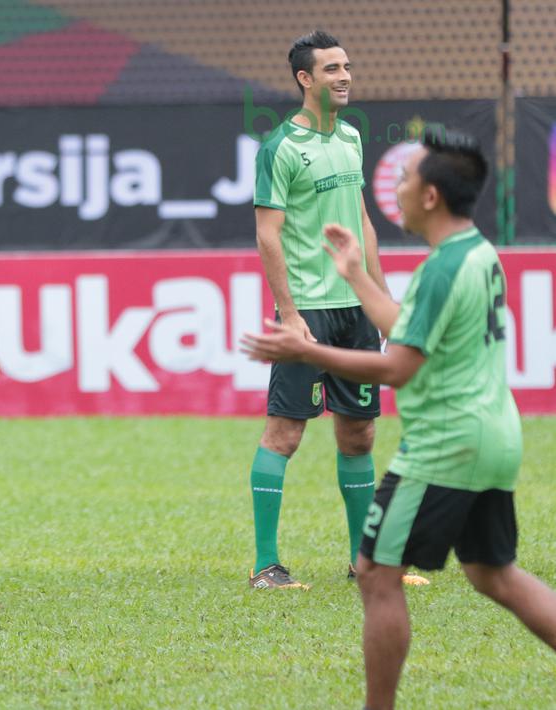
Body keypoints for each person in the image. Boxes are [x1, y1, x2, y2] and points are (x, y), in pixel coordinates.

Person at [242, 128, 556, 709]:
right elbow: (406, 327)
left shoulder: (440, 271)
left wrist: (305, 352)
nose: (397, 189)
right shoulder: (478, 253)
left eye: (406, 180)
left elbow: (400, 368)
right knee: (495, 575)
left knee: (375, 572)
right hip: (496, 434)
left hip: (446, 443)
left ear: (431, 195)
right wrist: (358, 274)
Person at [249, 30, 425, 589]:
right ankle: (266, 566)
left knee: (360, 436)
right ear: (305, 79)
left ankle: (364, 562)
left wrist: (381, 301)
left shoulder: (350, 137)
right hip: (309, 313)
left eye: (347, 66)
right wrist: (288, 312)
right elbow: (267, 236)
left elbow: (364, 225)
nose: (344, 76)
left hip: (354, 313)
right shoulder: (280, 147)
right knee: (285, 434)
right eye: (331, 69)